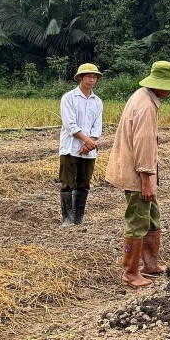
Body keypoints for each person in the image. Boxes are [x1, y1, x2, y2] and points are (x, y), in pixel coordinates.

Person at [105, 61, 170, 288]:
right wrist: (146, 180)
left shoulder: (143, 96)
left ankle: (150, 265)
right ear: (160, 84)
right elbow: (143, 145)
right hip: (137, 175)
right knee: (137, 222)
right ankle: (130, 273)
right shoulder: (146, 107)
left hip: (140, 173)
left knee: (152, 218)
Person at [58, 63, 103, 227]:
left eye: (95, 77)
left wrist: (89, 142)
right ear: (80, 78)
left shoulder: (97, 101)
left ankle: (78, 219)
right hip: (70, 147)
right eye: (89, 76)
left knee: (84, 184)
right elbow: (70, 124)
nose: (92, 79)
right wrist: (87, 141)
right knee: (67, 183)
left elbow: (97, 126)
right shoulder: (68, 98)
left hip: (88, 150)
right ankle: (67, 219)